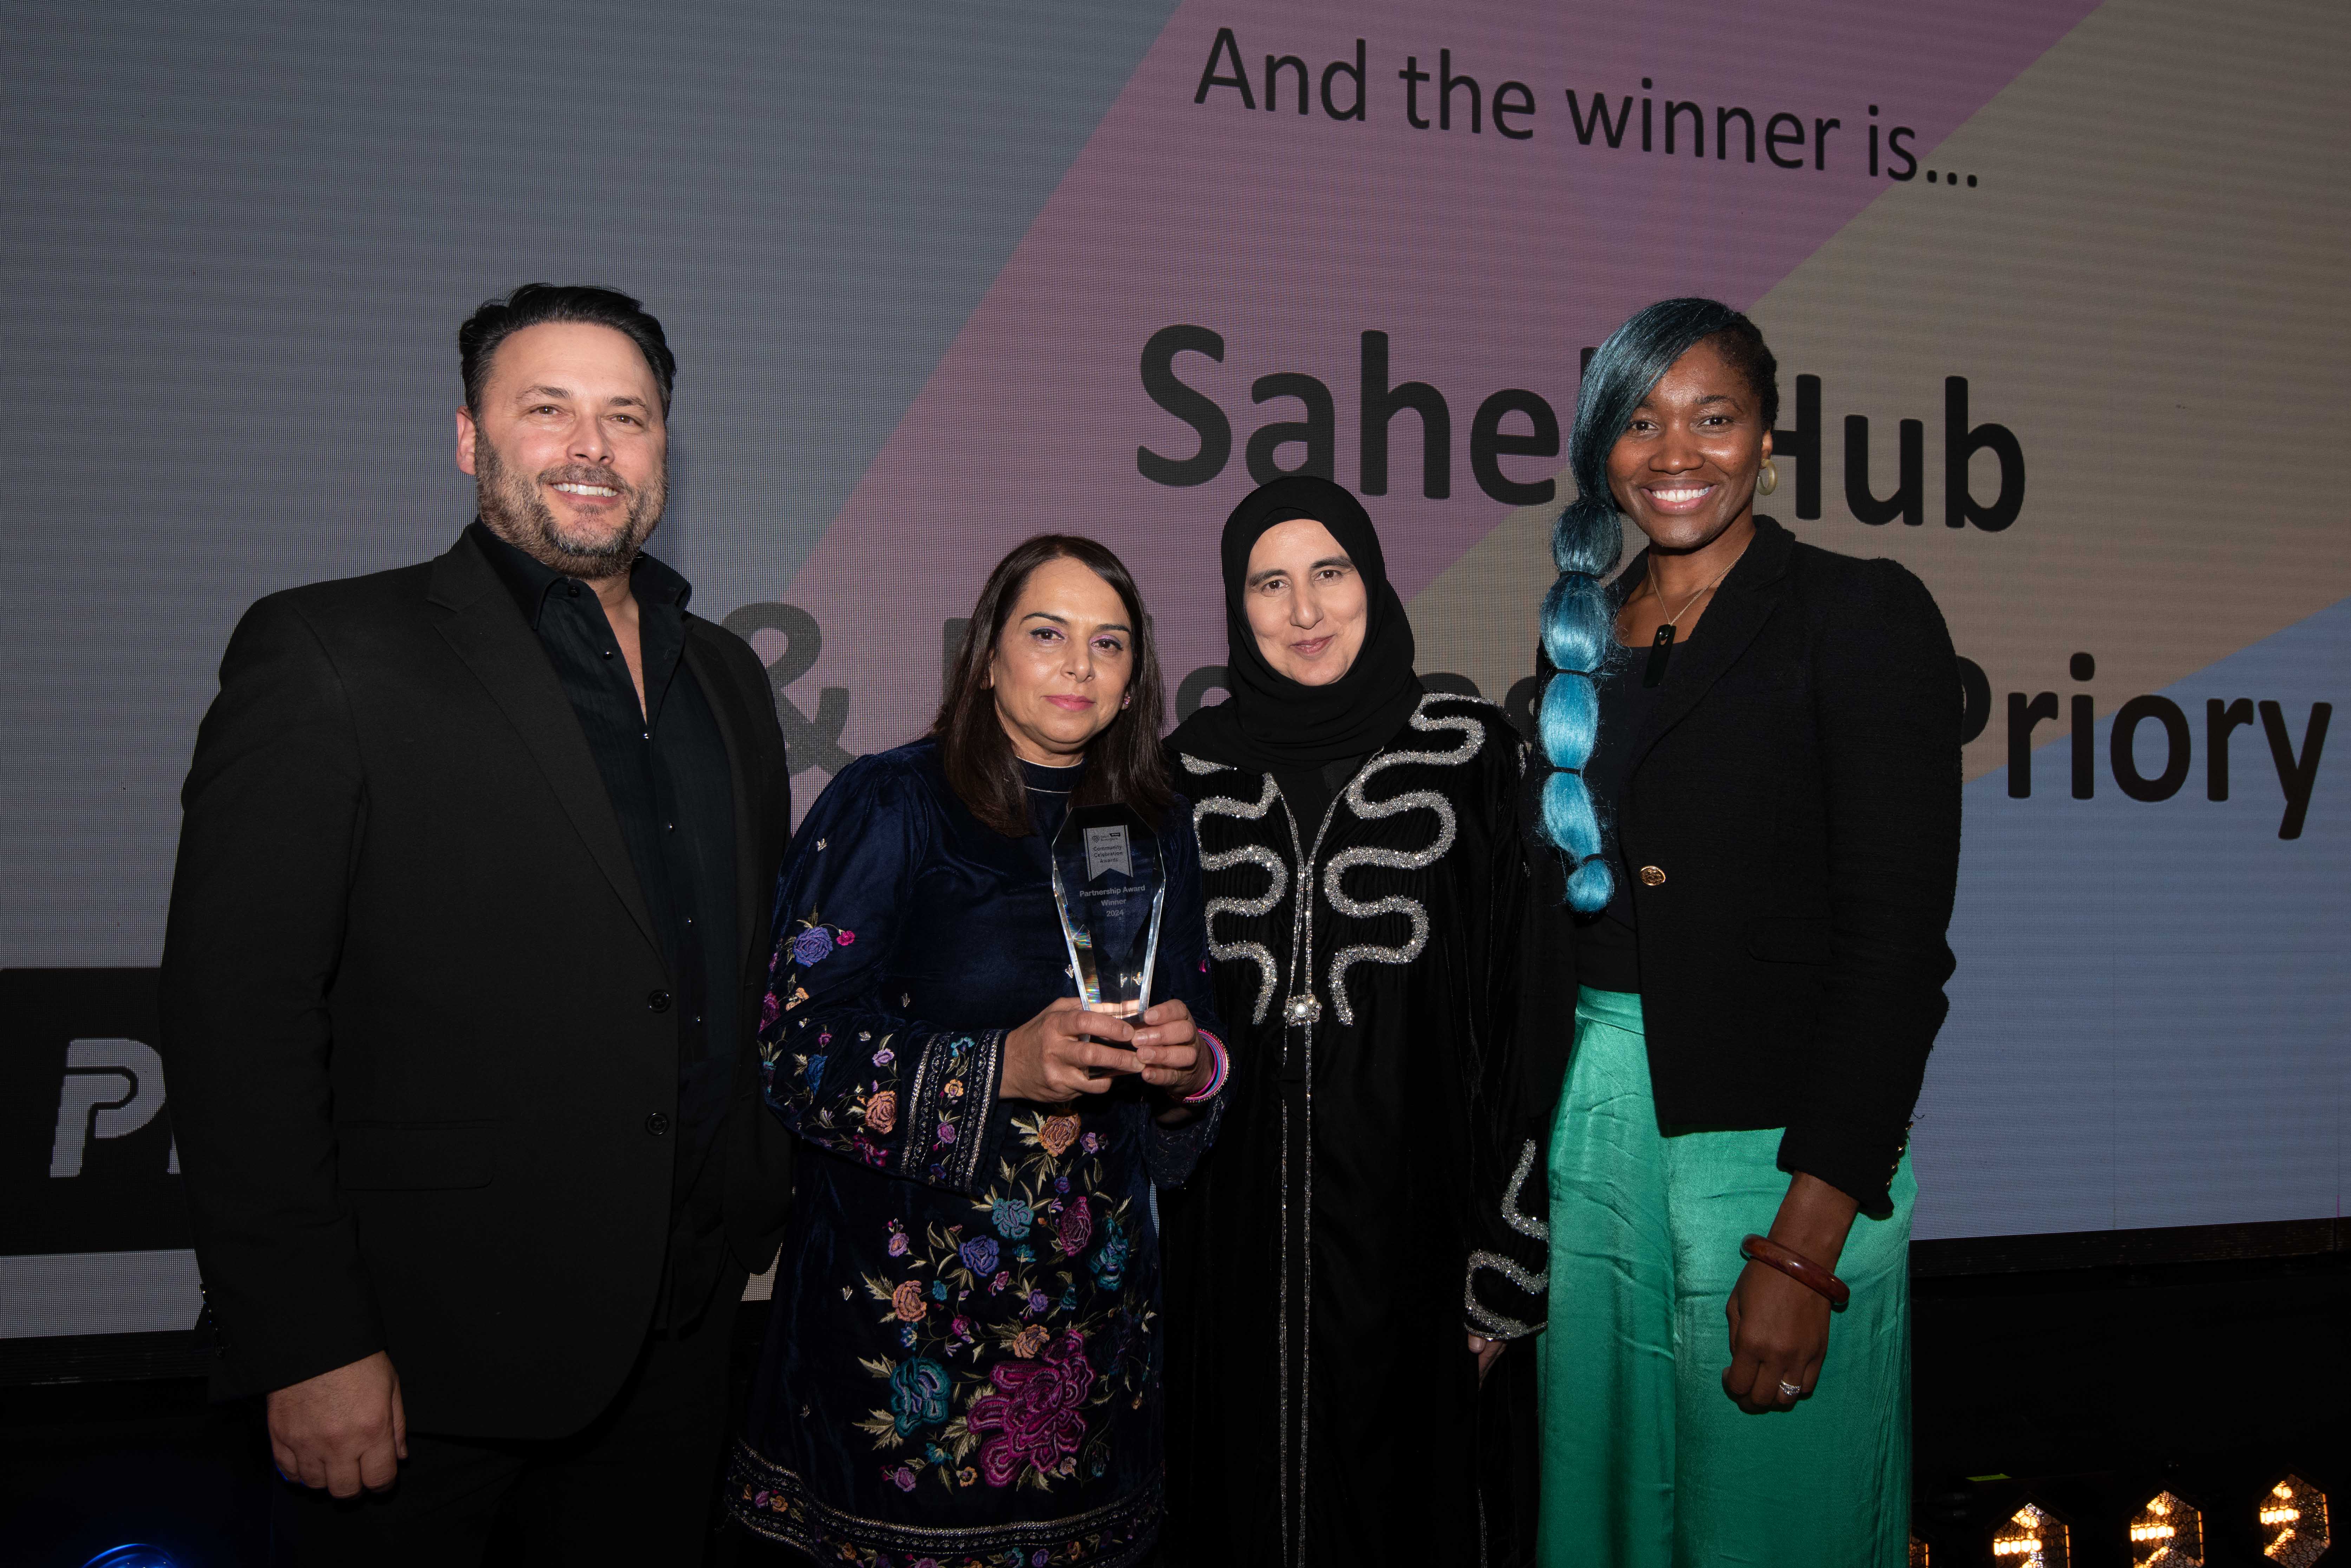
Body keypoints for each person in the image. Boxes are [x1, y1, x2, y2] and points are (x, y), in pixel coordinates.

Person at [158, 284, 797, 1564]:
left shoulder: (722, 671)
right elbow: (238, 1024)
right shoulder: (330, 652)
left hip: (677, 1341)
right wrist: (307, 1341)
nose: (591, 448)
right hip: (414, 1365)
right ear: (469, 438)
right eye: (547, 409)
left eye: (629, 417)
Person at [1526, 298, 1961, 1564]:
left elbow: (1897, 955)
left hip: (1782, 1159)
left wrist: (1805, 1247)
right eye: (1642, 422)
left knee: (1776, 1524)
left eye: (1713, 419)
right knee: (1608, 1521)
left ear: (1767, 440)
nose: (1677, 455)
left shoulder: (1858, 613)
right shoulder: (1575, 644)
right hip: (1594, 1141)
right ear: (1602, 449)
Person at [727, 535, 1227, 1568]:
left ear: (1137, 681)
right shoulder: (893, 803)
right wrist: (999, 1065)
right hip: (905, 1342)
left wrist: (1192, 1071)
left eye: (1110, 644)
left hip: (1096, 1348)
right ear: (988, 655)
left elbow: (1200, 1037)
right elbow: (790, 1040)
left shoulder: (1155, 824)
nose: (1079, 666)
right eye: (1047, 635)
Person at [1159, 475, 1559, 1568]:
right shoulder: (1182, 775)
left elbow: (1523, 1016)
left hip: (1422, 1258)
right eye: (1269, 584)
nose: (1305, 612)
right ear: (1236, 607)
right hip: (1223, 1259)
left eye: (1329, 574)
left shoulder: (1471, 753)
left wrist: (1508, 1263)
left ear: (1373, 583)